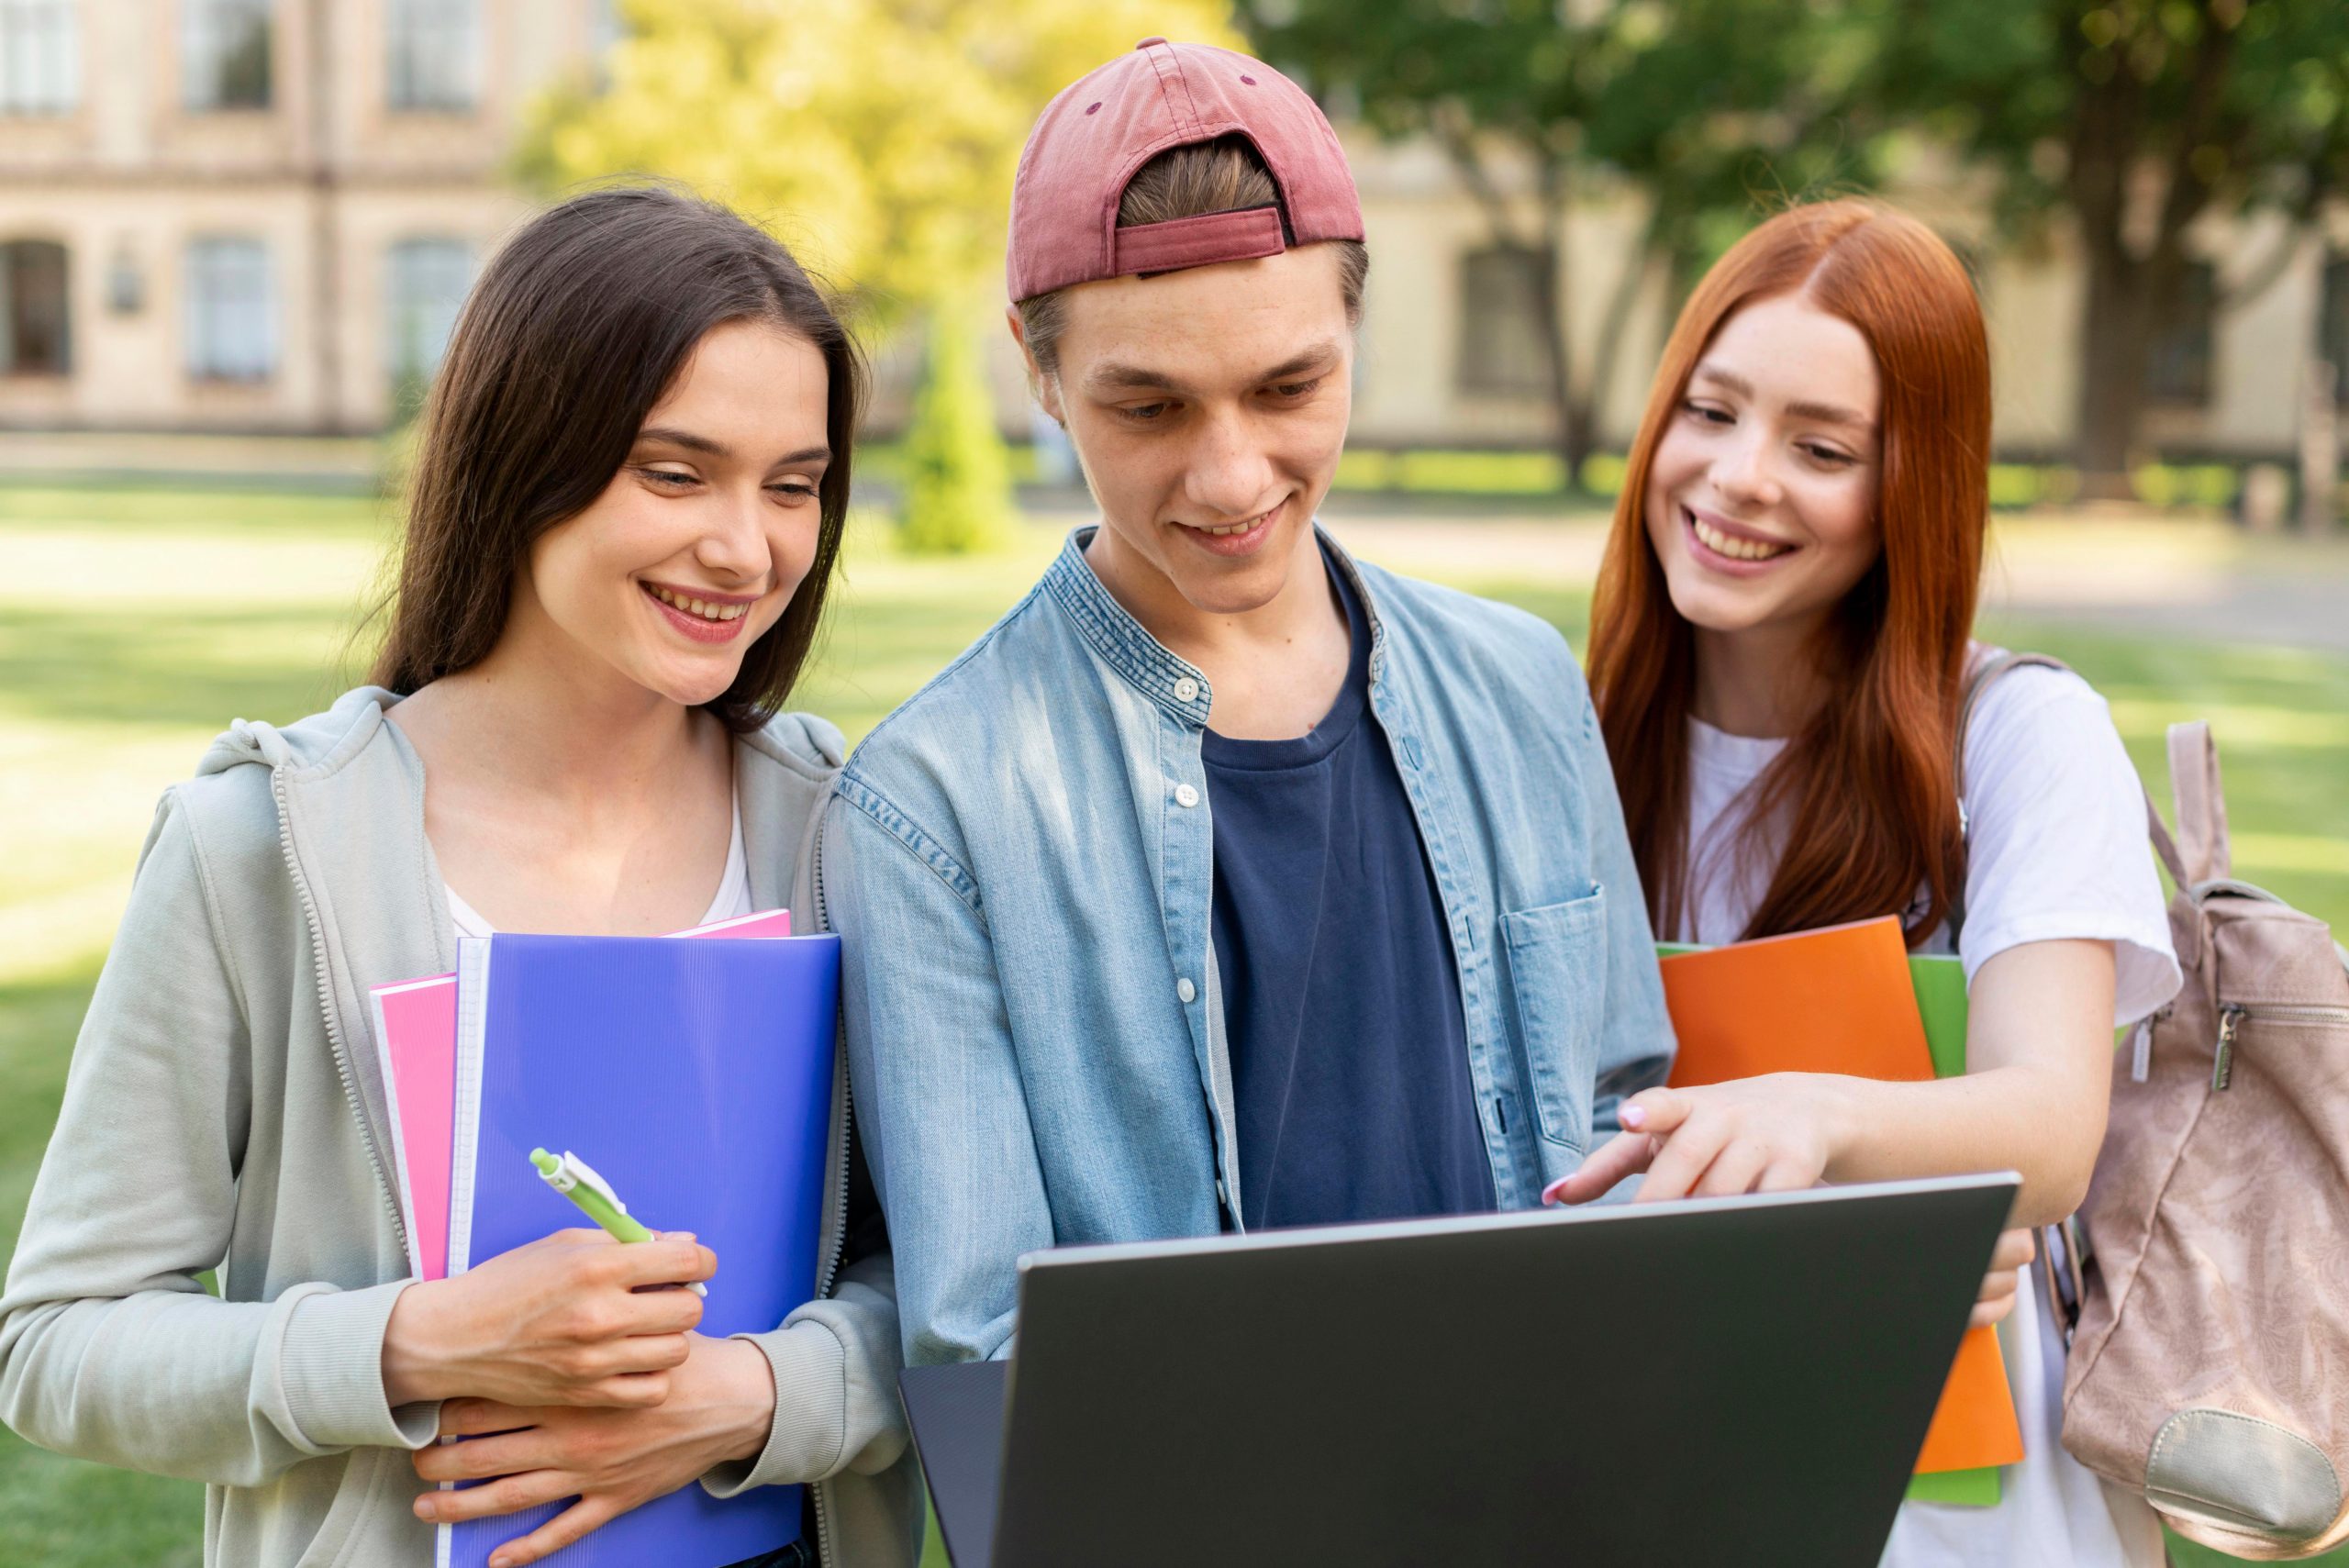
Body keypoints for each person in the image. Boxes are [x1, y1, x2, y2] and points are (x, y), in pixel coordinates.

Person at [0, 187, 917, 1568]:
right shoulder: (259, 848)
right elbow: (57, 1344)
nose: (749, 547)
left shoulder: (852, 833)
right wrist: (416, 1339)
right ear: (522, 457)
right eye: (676, 472)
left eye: (795, 483)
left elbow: (959, 1286)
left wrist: (755, 1393)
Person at [826, 39, 1674, 1371]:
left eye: (1289, 389)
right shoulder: (932, 800)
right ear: (1039, 373)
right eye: (1149, 405)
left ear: (1353, 329)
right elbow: (981, 1338)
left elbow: (1626, 1116)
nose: (1231, 479)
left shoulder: (1523, 684)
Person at [1559, 199, 2180, 1567]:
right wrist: (1895, 1214)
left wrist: (1824, 1123)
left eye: (1822, 448)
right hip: (1665, 1451)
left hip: (1956, 1496)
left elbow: (2051, 1125)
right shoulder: (1558, 738)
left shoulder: (2020, 732)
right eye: (1710, 413)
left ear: (1914, 488)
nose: (1738, 478)